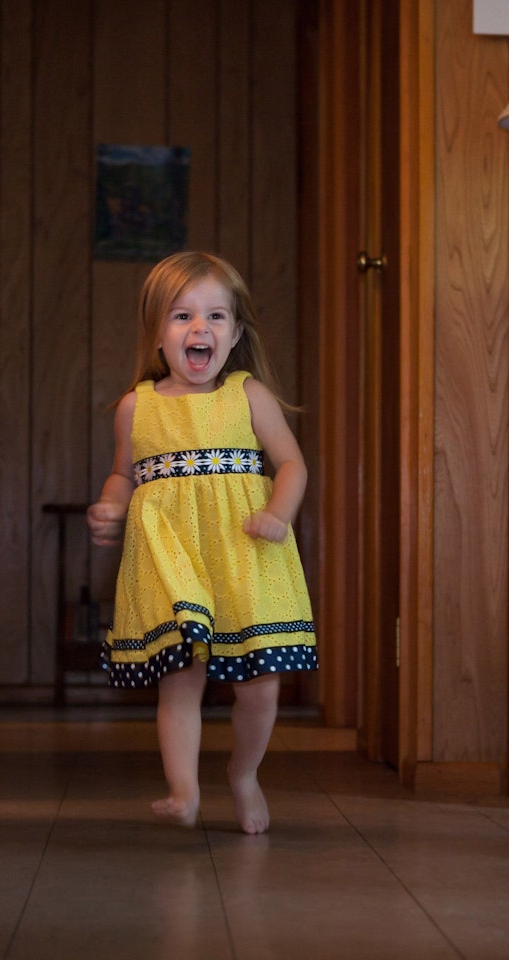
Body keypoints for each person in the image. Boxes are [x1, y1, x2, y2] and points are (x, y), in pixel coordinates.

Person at [86, 251, 318, 835]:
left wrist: (278, 512)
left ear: (236, 333)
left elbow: (291, 463)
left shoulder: (247, 396)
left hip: (244, 556)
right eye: (182, 316)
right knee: (181, 678)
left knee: (261, 688)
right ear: (157, 334)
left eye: (216, 317)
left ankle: (244, 774)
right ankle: (184, 791)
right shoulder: (135, 408)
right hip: (173, 557)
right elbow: (123, 472)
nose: (199, 329)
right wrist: (112, 504)